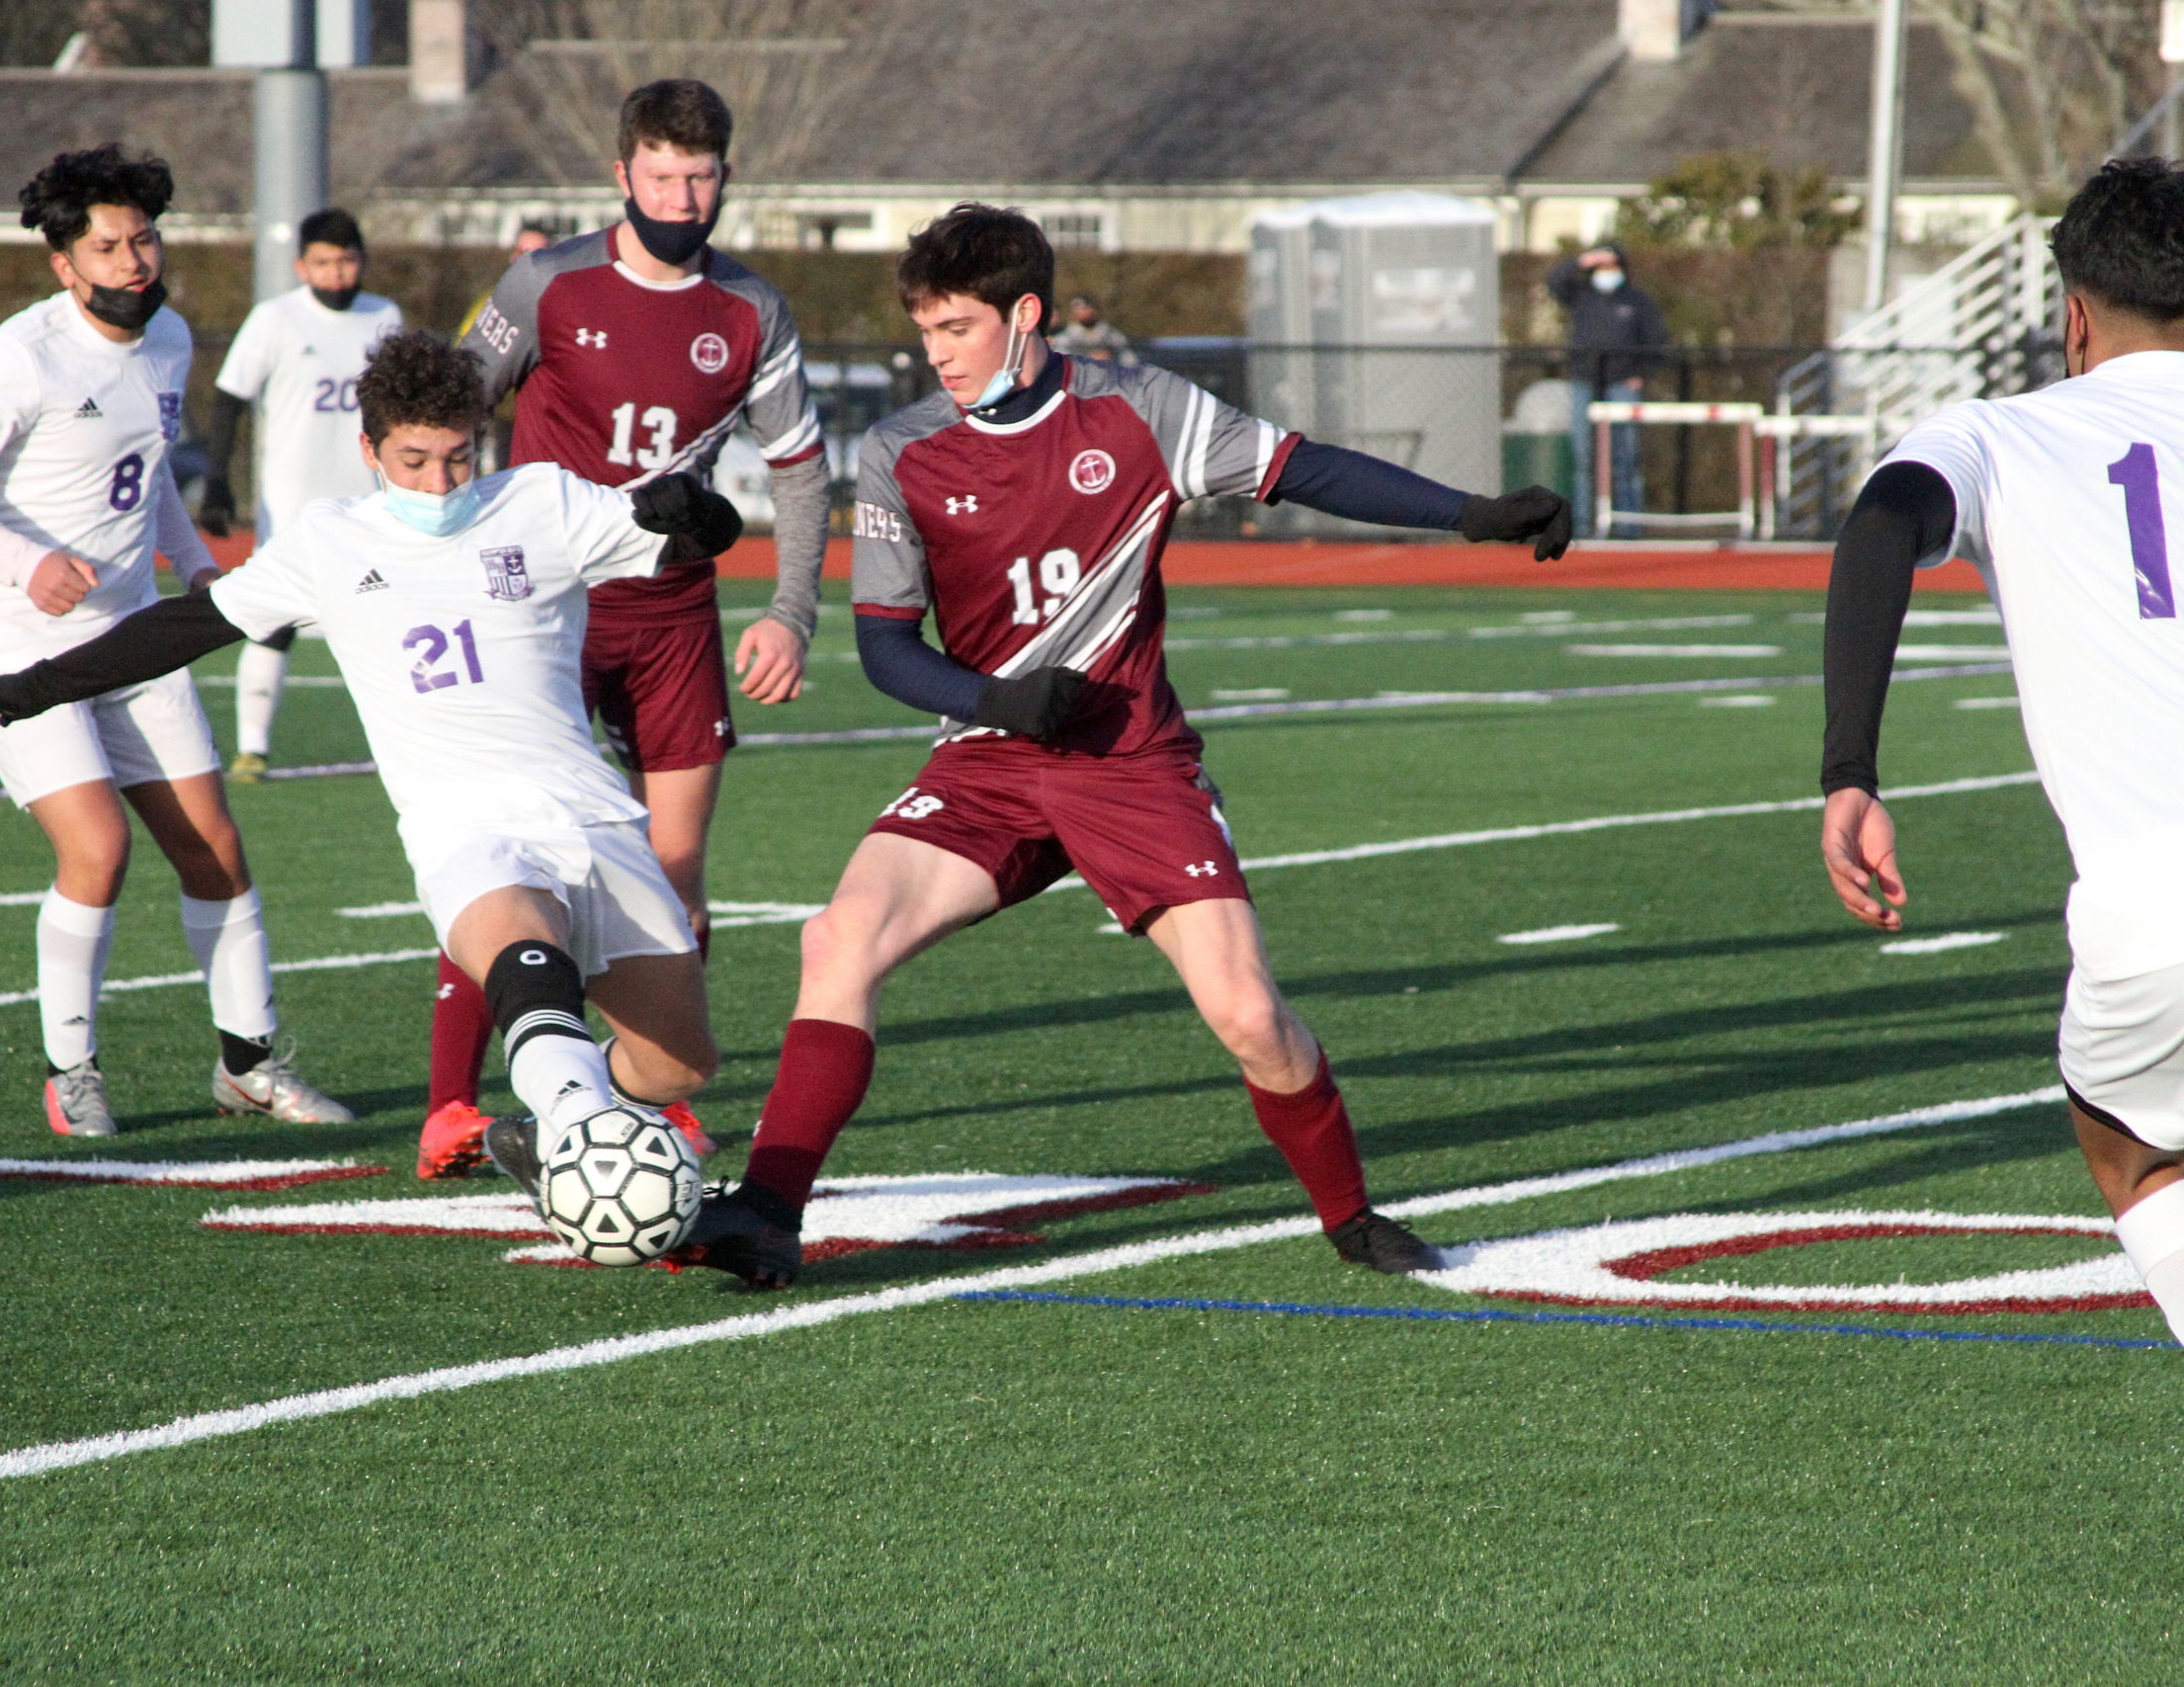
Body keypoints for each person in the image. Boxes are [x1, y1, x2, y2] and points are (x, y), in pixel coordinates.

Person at [673, 204, 1572, 1288]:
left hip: (1132, 764)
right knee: (838, 939)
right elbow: (887, 652)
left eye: (957, 327)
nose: (936, 353)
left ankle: (1350, 1217)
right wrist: (999, 703)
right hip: (991, 761)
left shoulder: (1139, 409)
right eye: (925, 331)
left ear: (1026, 315)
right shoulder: (903, 449)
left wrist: (1472, 513)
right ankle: (769, 1211)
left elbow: (1303, 469)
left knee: (1247, 1015)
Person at [0, 330, 741, 1182]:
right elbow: (189, 624)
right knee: (525, 961)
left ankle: (548, 1128)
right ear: (368, 449)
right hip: (465, 828)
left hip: (593, 814)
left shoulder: (543, 502)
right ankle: (582, 1140)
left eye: (458, 458)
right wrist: (41, 682)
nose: (439, 483)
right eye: (413, 460)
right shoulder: (330, 543)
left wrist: (696, 512)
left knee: (680, 1064)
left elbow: (704, 537)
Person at [0, 144, 351, 1139]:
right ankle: (73, 1072)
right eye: (109, 245)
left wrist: (196, 568)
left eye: (144, 237)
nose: (135, 260)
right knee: (98, 849)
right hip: (17, 643)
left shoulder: (170, 338)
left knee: (216, 851)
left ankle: (248, 1065)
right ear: (64, 263)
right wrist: (25, 566)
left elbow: (142, 489)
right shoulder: (20, 355)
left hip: (133, 636)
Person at [430, 75, 831, 1170]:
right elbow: (447, 409)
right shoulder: (547, 281)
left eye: (700, 175)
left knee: (674, 864)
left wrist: (791, 613)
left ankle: (648, 1085)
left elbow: (799, 470)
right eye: (661, 174)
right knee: (514, 855)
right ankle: (448, 1103)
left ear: (725, 177)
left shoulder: (751, 310)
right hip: (541, 608)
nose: (683, 194)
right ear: (622, 175)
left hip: (671, 614)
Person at [1819, 158, 2184, 1345]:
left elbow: (1880, 526)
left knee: (2127, 1145)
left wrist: (1848, 773)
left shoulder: (1999, 431)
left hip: (2155, 912)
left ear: (2071, 314)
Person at [200, 208, 404, 783]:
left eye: (346, 261)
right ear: (301, 266)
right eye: (323, 262)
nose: (336, 274)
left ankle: (405, 740)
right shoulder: (275, 319)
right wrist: (216, 480)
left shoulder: (384, 316)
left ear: (361, 260)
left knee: (387, 618)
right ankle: (253, 749)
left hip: (368, 500)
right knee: (275, 622)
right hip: (290, 503)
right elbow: (229, 397)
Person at [1545, 243, 1668, 533]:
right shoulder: (1582, 296)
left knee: (1625, 459)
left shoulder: (1637, 301)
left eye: (1610, 265)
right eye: (1600, 267)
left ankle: (1629, 527)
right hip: (1584, 382)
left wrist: (1641, 373)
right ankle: (1585, 527)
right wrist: (1582, 260)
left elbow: (1657, 340)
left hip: (1621, 385)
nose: (1606, 272)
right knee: (1585, 460)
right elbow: (1554, 282)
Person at [1049, 294, 1135, 365]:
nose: (1079, 313)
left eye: (1083, 309)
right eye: (1076, 310)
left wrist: (1113, 357)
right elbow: (1061, 359)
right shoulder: (1066, 336)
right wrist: (1089, 359)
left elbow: (1129, 359)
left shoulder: (1111, 334)